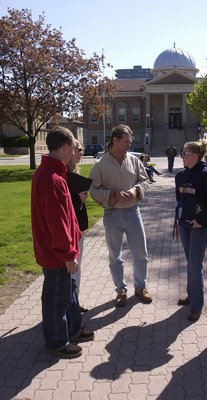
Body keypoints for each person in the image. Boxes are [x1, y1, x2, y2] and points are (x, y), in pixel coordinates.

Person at [31, 126, 94, 359]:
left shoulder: (55, 173)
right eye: (74, 147)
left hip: (62, 251)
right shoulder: (51, 177)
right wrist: (68, 255)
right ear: (65, 147)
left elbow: (66, 216)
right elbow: (57, 222)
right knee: (56, 299)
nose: (76, 151)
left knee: (69, 293)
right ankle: (57, 342)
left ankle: (73, 330)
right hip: (57, 254)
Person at [89, 124, 152, 307]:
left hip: (133, 212)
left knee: (141, 253)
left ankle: (141, 287)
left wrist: (135, 190)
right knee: (115, 256)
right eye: (126, 142)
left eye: (130, 142)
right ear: (115, 140)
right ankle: (120, 290)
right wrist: (112, 195)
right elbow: (93, 190)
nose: (128, 146)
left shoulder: (133, 160)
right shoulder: (100, 165)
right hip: (112, 214)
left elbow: (144, 180)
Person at [175, 139, 207, 321]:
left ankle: (196, 305)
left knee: (195, 265)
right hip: (184, 224)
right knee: (190, 262)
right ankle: (192, 294)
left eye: (184, 153)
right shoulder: (181, 175)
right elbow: (180, 198)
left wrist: (200, 219)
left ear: (194, 155)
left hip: (200, 227)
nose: (181, 156)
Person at [67, 140, 89, 313]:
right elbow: (63, 205)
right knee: (73, 267)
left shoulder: (74, 171)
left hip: (78, 227)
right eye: (78, 149)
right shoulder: (63, 174)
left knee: (78, 267)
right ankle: (71, 304)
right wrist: (78, 199)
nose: (81, 152)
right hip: (69, 231)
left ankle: (75, 300)